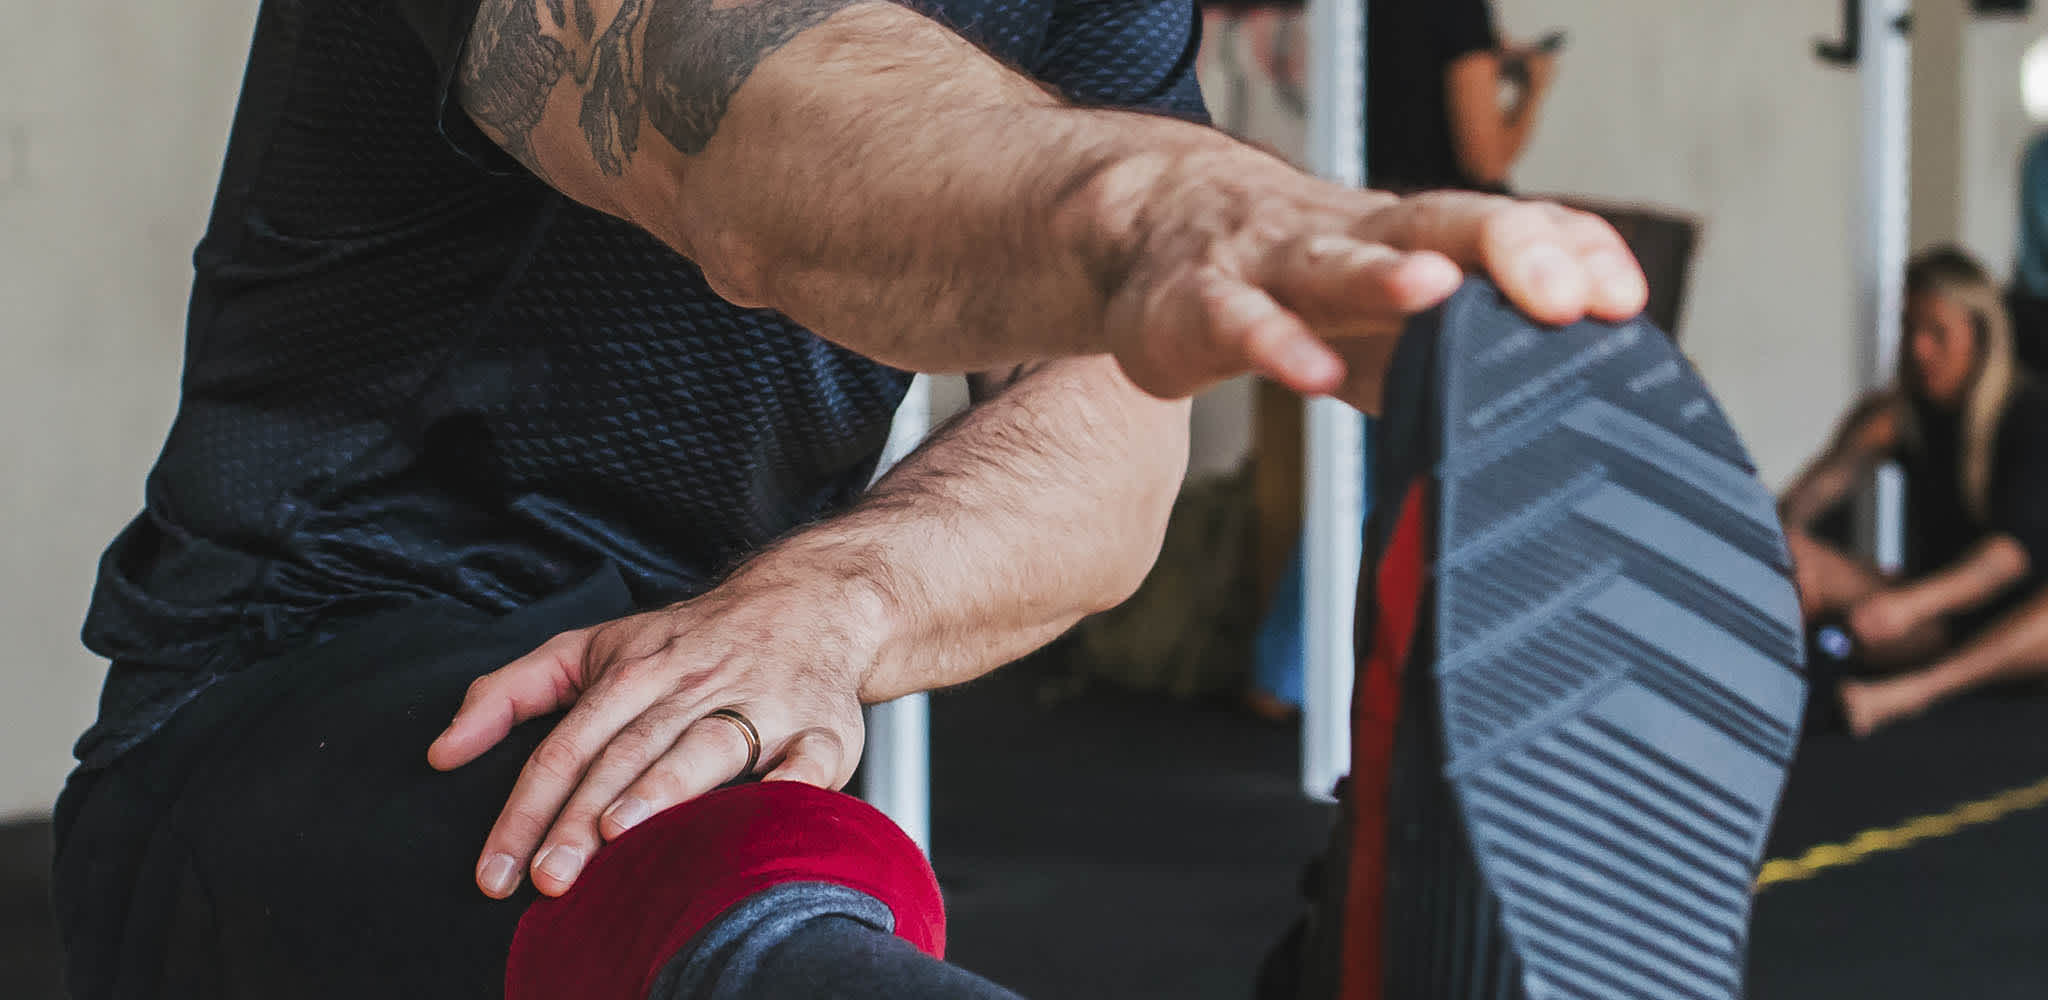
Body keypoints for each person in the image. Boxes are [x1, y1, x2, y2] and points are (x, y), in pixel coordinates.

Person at [50, 0, 1648, 995]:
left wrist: (840, 600)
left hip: (721, 688)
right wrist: (1166, 214)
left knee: (766, 844)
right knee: (730, 871)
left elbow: (1110, 445)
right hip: (287, 691)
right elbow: (731, 127)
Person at [1779, 247, 2048, 738]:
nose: (1919, 349)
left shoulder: (2029, 415)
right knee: (1791, 551)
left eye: (1937, 333)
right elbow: (1797, 507)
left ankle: (1914, 692)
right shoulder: (1900, 416)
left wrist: (1910, 606)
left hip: (2019, 622)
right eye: (1909, 330)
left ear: (1980, 336)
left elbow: (2007, 560)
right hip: (1937, 619)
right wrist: (1854, 443)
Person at [1367, 0, 1559, 193]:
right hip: (1436, 205)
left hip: (1367, 197)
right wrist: (1532, 90)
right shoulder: (1462, 8)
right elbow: (1487, 168)